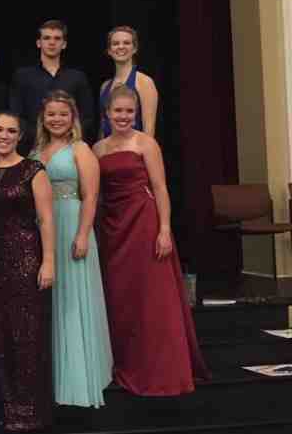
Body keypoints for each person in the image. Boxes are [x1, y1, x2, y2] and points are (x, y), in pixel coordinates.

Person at [93, 85, 209, 396]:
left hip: (144, 223)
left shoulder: (146, 144)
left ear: (137, 114)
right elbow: (96, 194)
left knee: (150, 296)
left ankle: (157, 367)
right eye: (117, 111)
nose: (123, 116)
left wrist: (165, 229)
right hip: (112, 227)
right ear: (107, 113)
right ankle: (124, 361)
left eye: (129, 111)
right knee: (120, 296)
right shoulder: (98, 149)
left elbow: (160, 189)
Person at [0, 111, 55, 431]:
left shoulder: (33, 170)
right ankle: (6, 408)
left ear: (20, 136)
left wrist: (49, 261)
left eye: (10, 131)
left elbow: (46, 220)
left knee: (26, 336)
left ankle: (29, 411)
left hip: (26, 261)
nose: (3, 136)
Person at [31, 89, 112, 408]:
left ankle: (78, 379)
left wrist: (82, 234)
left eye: (62, 114)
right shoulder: (36, 150)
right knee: (51, 302)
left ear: (73, 117)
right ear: (43, 117)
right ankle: (52, 378)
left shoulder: (81, 150)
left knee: (73, 301)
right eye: (50, 114)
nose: (56, 119)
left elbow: (91, 196)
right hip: (42, 229)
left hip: (72, 224)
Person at [9, 20, 94, 141]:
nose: (52, 42)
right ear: (39, 43)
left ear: (64, 44)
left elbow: (87, 117)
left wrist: (68, 137)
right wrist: (38, 137)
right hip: (31, 146)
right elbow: (16, 115)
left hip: (68, 145)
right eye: (47, 38)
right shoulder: (22, 76)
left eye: (57, 38)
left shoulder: (77, 77)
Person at [99, 25, 159, 137]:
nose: (121, 47)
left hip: (134, 151)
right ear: (109, 51)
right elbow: (103, 128)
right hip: (108, 151)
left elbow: (149, 129)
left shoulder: (144, 82)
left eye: (126, 43)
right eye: (115, 43)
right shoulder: (105, 86)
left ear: (134, 48)